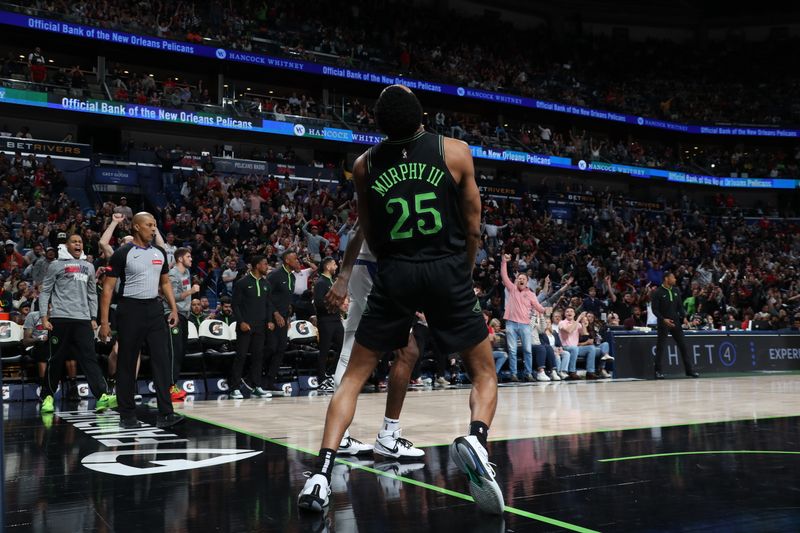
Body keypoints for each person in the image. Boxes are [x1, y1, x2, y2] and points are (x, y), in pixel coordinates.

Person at [299, 85, 503, 515]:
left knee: (354, 375)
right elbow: (473, 224)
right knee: (483, 371)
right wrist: (462, 271)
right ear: (422, 115)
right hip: (447, 269)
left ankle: (320, 473)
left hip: (395, 273)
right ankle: (477, 441)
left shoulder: (364, 164)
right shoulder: (456, 152)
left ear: (378, 124)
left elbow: (370, 231)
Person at [326, 223, 426, 458]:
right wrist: (343, 276)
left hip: (363, 267)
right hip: (373, 268)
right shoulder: (387, 187)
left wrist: (345, 274)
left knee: (348, 352)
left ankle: (341, 436)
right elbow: (362, 226)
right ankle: (388, 436)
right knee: (408, 351)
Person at [98, 212, 184, 429]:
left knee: (162, 361)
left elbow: (165, 283)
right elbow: (107, 289)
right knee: (127, 362)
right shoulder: (122, 253)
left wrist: (173, 308)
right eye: (149, 225)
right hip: (130, 309)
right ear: (136, 227)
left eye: (155, 225)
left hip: (155, 309)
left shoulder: (159, 252)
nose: (153, 229)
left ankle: (166, 413)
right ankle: (126, 414)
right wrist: (105, 322)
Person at [38, 234, 116, 414]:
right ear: (66, 245)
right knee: (56, 359)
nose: (78, 244)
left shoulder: (88, 266)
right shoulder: (56, 265)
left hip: (82, 320)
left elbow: (92, 294)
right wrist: (44, 317)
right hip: (60, 318)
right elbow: (45, 291)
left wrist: (93, 318)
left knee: (90, 358)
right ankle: (48, 397)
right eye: (74, 241)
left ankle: (102, 396)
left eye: (80, 242)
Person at [229, 255, 276, 399]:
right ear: (256, 266)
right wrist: (241, 322)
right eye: (264, 264)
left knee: (258, 357)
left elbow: (268, 304)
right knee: (241, 356)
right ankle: (234, 387)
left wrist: (270, 320)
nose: (267, 266)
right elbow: (234, 305)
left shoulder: (266, 284)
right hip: (245, 326)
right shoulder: (242, 283)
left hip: (261, 326)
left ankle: (256, 386)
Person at [500, 253, 547, 382]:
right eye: (519, 278)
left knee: (527, 350)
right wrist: (504, 262)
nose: (521, 280)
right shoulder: (512, 289)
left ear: (527, 282)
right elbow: (504, 276)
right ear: (517, 279)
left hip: (525, 325)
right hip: (511, 323)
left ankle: (528, 373)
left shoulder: (531, 294)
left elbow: (538, 307)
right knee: (513, 350)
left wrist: (545, 310)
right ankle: (513, 374)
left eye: (523, 279)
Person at [165, 248, 199, 402]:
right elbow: (172, 297)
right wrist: (191, 291)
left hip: (184, 315)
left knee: (181, 351)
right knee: (174, 351)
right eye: (188, 256)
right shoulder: (173, 274)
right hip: (174, 315)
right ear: (180, 259)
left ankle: (173, 385)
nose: (191, 259)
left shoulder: (186, 273)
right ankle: (170, 387)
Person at [652, 271, 699, 379]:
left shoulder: (676, 290)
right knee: (661, 347)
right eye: (673, 277)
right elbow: (655, 310)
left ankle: (690, 371)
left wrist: (685, 317)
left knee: (683, 346)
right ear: (666, 279)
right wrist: (663, 319)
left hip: (676, 322)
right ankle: (658, 372)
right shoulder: (657, 292)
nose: (675, 279)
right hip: (664, 323)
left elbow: (680, 307)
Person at [263, 250, 299, 392]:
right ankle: (258, 376)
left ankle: (271, 381)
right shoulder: (275, 275)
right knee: (271, 347)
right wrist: (275, 313)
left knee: (281, 348)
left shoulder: (293, 277)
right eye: (295, 259)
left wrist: (288, 316)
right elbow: (266, 296)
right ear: (287, 261)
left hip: (284, 318)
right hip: (271, 317)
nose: (298, 261)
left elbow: (287, 299)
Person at [313, 256, 343, 392]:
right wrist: (334, 305)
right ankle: (321, 379)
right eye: (334, 264)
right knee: (324, 350)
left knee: (343, 346)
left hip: (336, 319)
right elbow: (318, 302)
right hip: (325, 320)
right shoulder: (321, 282)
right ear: (327, 266)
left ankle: (330, 373)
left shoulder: (332, 281)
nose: (336, 267)